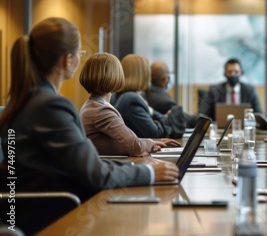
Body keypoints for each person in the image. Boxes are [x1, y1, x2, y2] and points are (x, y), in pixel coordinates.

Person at [0, 18, 179, 201]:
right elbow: (95, 174)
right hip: (53, 213)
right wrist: (148, 173)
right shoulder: (50, 106)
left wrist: (136, 168)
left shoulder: (28, 99)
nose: (79, 58)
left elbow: (86, 164)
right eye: (79, 53)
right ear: (67, 60)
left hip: (37, 207)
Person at [79, 53, 181, 156]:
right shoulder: (102, 111)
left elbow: (125, 142)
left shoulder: (91, 105)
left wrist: (151, 142)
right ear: (116, 76)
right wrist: (149, 144)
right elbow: (135, 146)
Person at [112, 54, 186, 138]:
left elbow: (156, 117)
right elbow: (155, 132)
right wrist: (170, 119)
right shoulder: (131, 99)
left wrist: (162, 120)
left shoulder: (125, 96)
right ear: (143, 75)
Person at [144, 61, 199, 128]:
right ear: (165, 79)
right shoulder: (165, 102)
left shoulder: (146, 94)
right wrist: (204, 119)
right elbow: (187, 119)